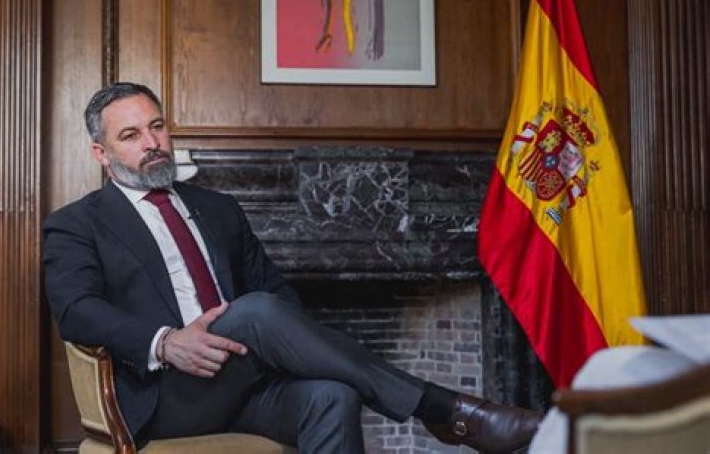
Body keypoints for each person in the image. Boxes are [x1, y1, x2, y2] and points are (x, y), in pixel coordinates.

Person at [43, 82, 542, 453]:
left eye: (157, 126)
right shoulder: (77, 224)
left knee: (333, 395)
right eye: (131, 135)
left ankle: (444, 411)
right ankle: (443, 409)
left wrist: (275, 348)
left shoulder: (217, 208)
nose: (151, 142)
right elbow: (76, 310)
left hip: (243, 384)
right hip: (165, 396)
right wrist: (166, 341)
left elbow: (279, 293)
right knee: (254, 312)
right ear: (102, 153)